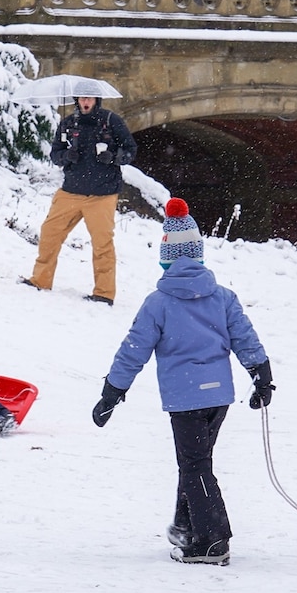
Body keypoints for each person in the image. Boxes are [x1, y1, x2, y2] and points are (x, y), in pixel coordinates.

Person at [91, 198, 274, 566]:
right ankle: (187, 526)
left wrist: (112, 392)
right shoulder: (223, 298)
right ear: (199, 255)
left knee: (194, 466)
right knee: (195, 462)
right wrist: (261, 376)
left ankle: (212, 541)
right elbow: (245, 338)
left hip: (185, 397)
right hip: (218, 396)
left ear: (166, 258)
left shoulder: (158, 303)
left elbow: (133, 351)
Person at [22, 95, 137, 305]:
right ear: (77, 100)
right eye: (82, 98)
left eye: (90, 99)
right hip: (70, 191)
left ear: (96, 100)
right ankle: (40, 280)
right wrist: (67, 157)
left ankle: (103, 293)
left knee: (102, 244)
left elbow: (131, 150)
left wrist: (113, 157)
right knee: (50, 234)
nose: (86, 102)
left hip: (102, 194)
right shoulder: (68, 123)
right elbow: (55, 154)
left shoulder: (111, 121)